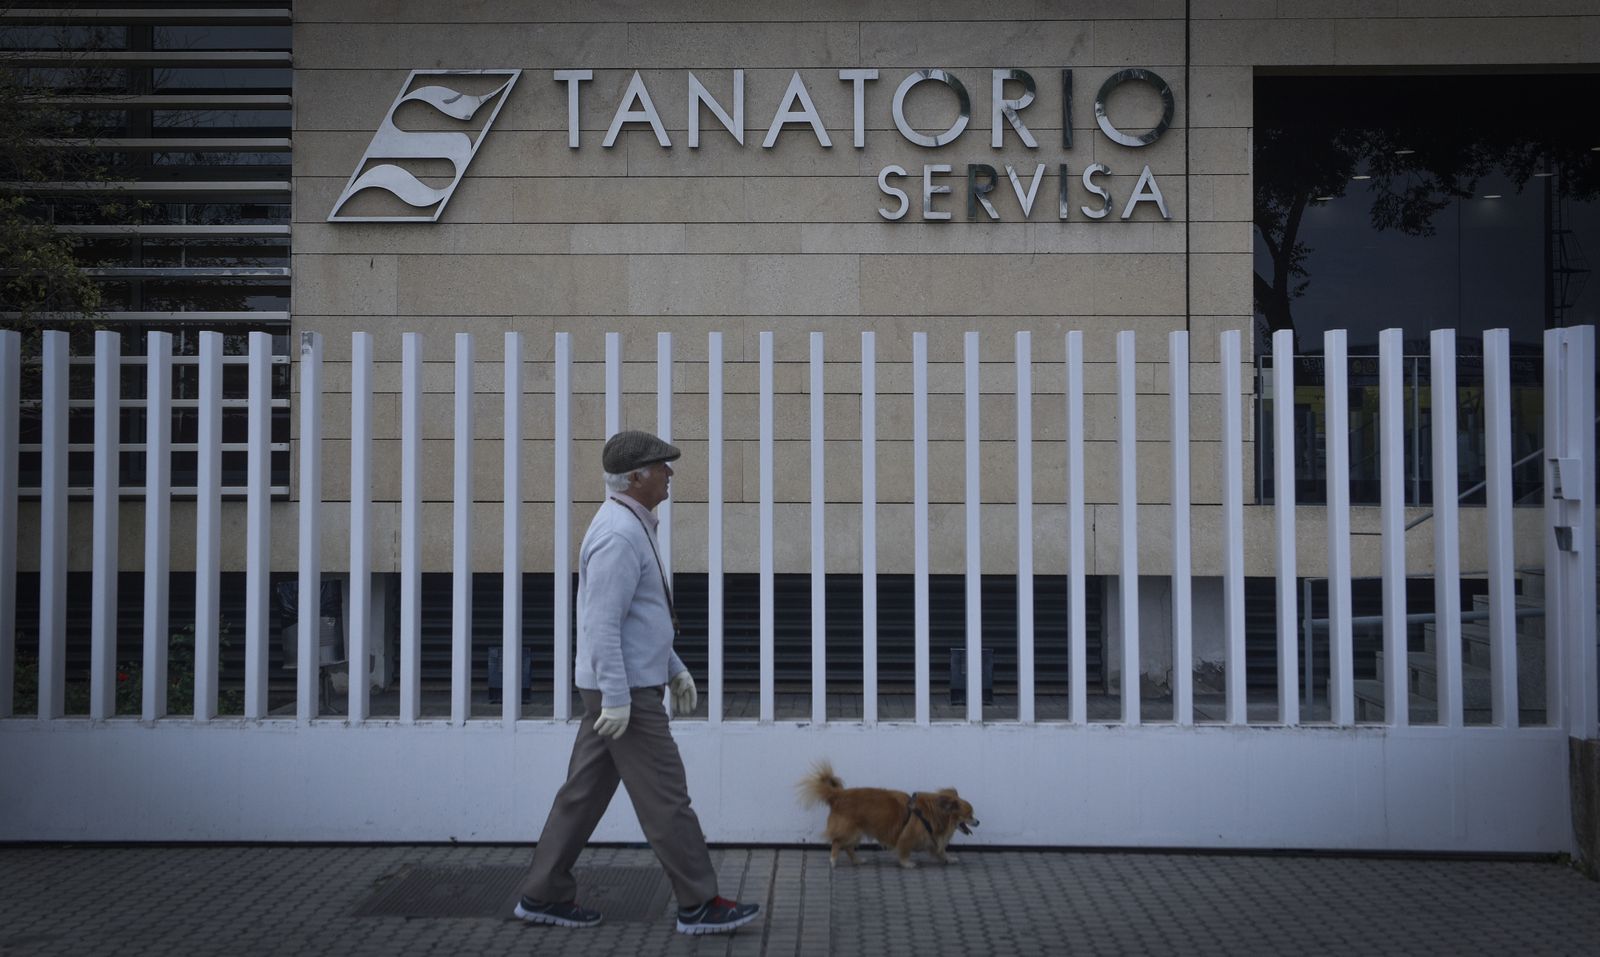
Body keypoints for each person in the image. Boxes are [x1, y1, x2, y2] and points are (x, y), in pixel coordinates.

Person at [516, 430, 761, 936]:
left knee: (581, 795)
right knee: (667, 797)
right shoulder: (618, 534)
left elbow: (638, 618)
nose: (669, 474)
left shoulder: (630, 524)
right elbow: (600, 624)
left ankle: (542, 893)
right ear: (635, 478)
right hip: (625, 693)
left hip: (624, 686)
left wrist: (672, 666)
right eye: (661, 467)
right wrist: (619, 698)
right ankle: (699, 903)